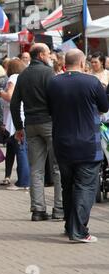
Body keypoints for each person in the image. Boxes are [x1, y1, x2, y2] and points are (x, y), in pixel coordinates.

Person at [47, 49, 109, 242]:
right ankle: (79, 231)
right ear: (82, 63)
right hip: (87, 144)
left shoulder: (53, 82)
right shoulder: (92, 82)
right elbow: (104, 107)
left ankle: (70, 226)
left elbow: (50, 109)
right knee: (85, 187)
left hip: (62, 143)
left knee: (68, 186)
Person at [10, 43, 63, 222]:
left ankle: (38, 210)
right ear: (40, 55)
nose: (50, 56)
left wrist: (18, 127)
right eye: (48, 53)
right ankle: (59, 208)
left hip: (31, 124)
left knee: (36, 169)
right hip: (49, 122)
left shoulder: (23, 75)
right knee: (57, 167)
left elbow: (14, 103)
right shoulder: (49, 73)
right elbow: (56, 99)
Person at [0, 59, 30, 190]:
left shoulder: (13, 77)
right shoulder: (23, 77)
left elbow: (10, 97)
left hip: (14, 118)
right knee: (20, 149)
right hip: (22, 115)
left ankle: (23, 181)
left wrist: (0, 93)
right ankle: (24, 180)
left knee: (20, 149)